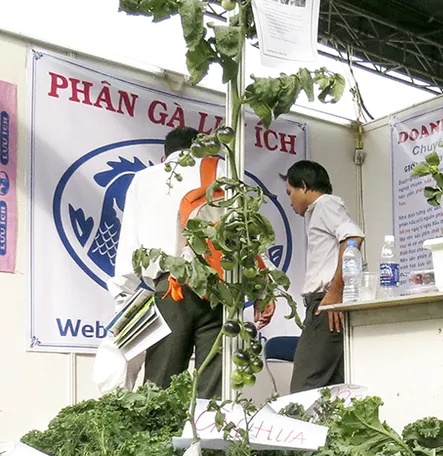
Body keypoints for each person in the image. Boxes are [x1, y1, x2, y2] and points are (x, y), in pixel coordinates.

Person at [111, 127, 273, 398]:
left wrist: (123, 305)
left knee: (160, 386)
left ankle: (159, 438)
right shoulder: (224, 171)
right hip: (222, 288)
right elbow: (249, 235)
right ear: (202, 147)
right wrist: (262, 290)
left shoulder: (144, 179)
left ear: (165, 156)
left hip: (171, 289)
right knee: (214, 388)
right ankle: (206, 438)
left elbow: (128, 250)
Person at [282, 160, 364, 392]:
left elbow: (353, 239)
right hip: (325, 302)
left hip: (325, 304)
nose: (290, 202)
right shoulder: (318, 212)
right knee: (332, 389)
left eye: (291, 193)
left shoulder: (326, 204)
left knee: (304, 387)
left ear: (304, 186)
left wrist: (336, 291)